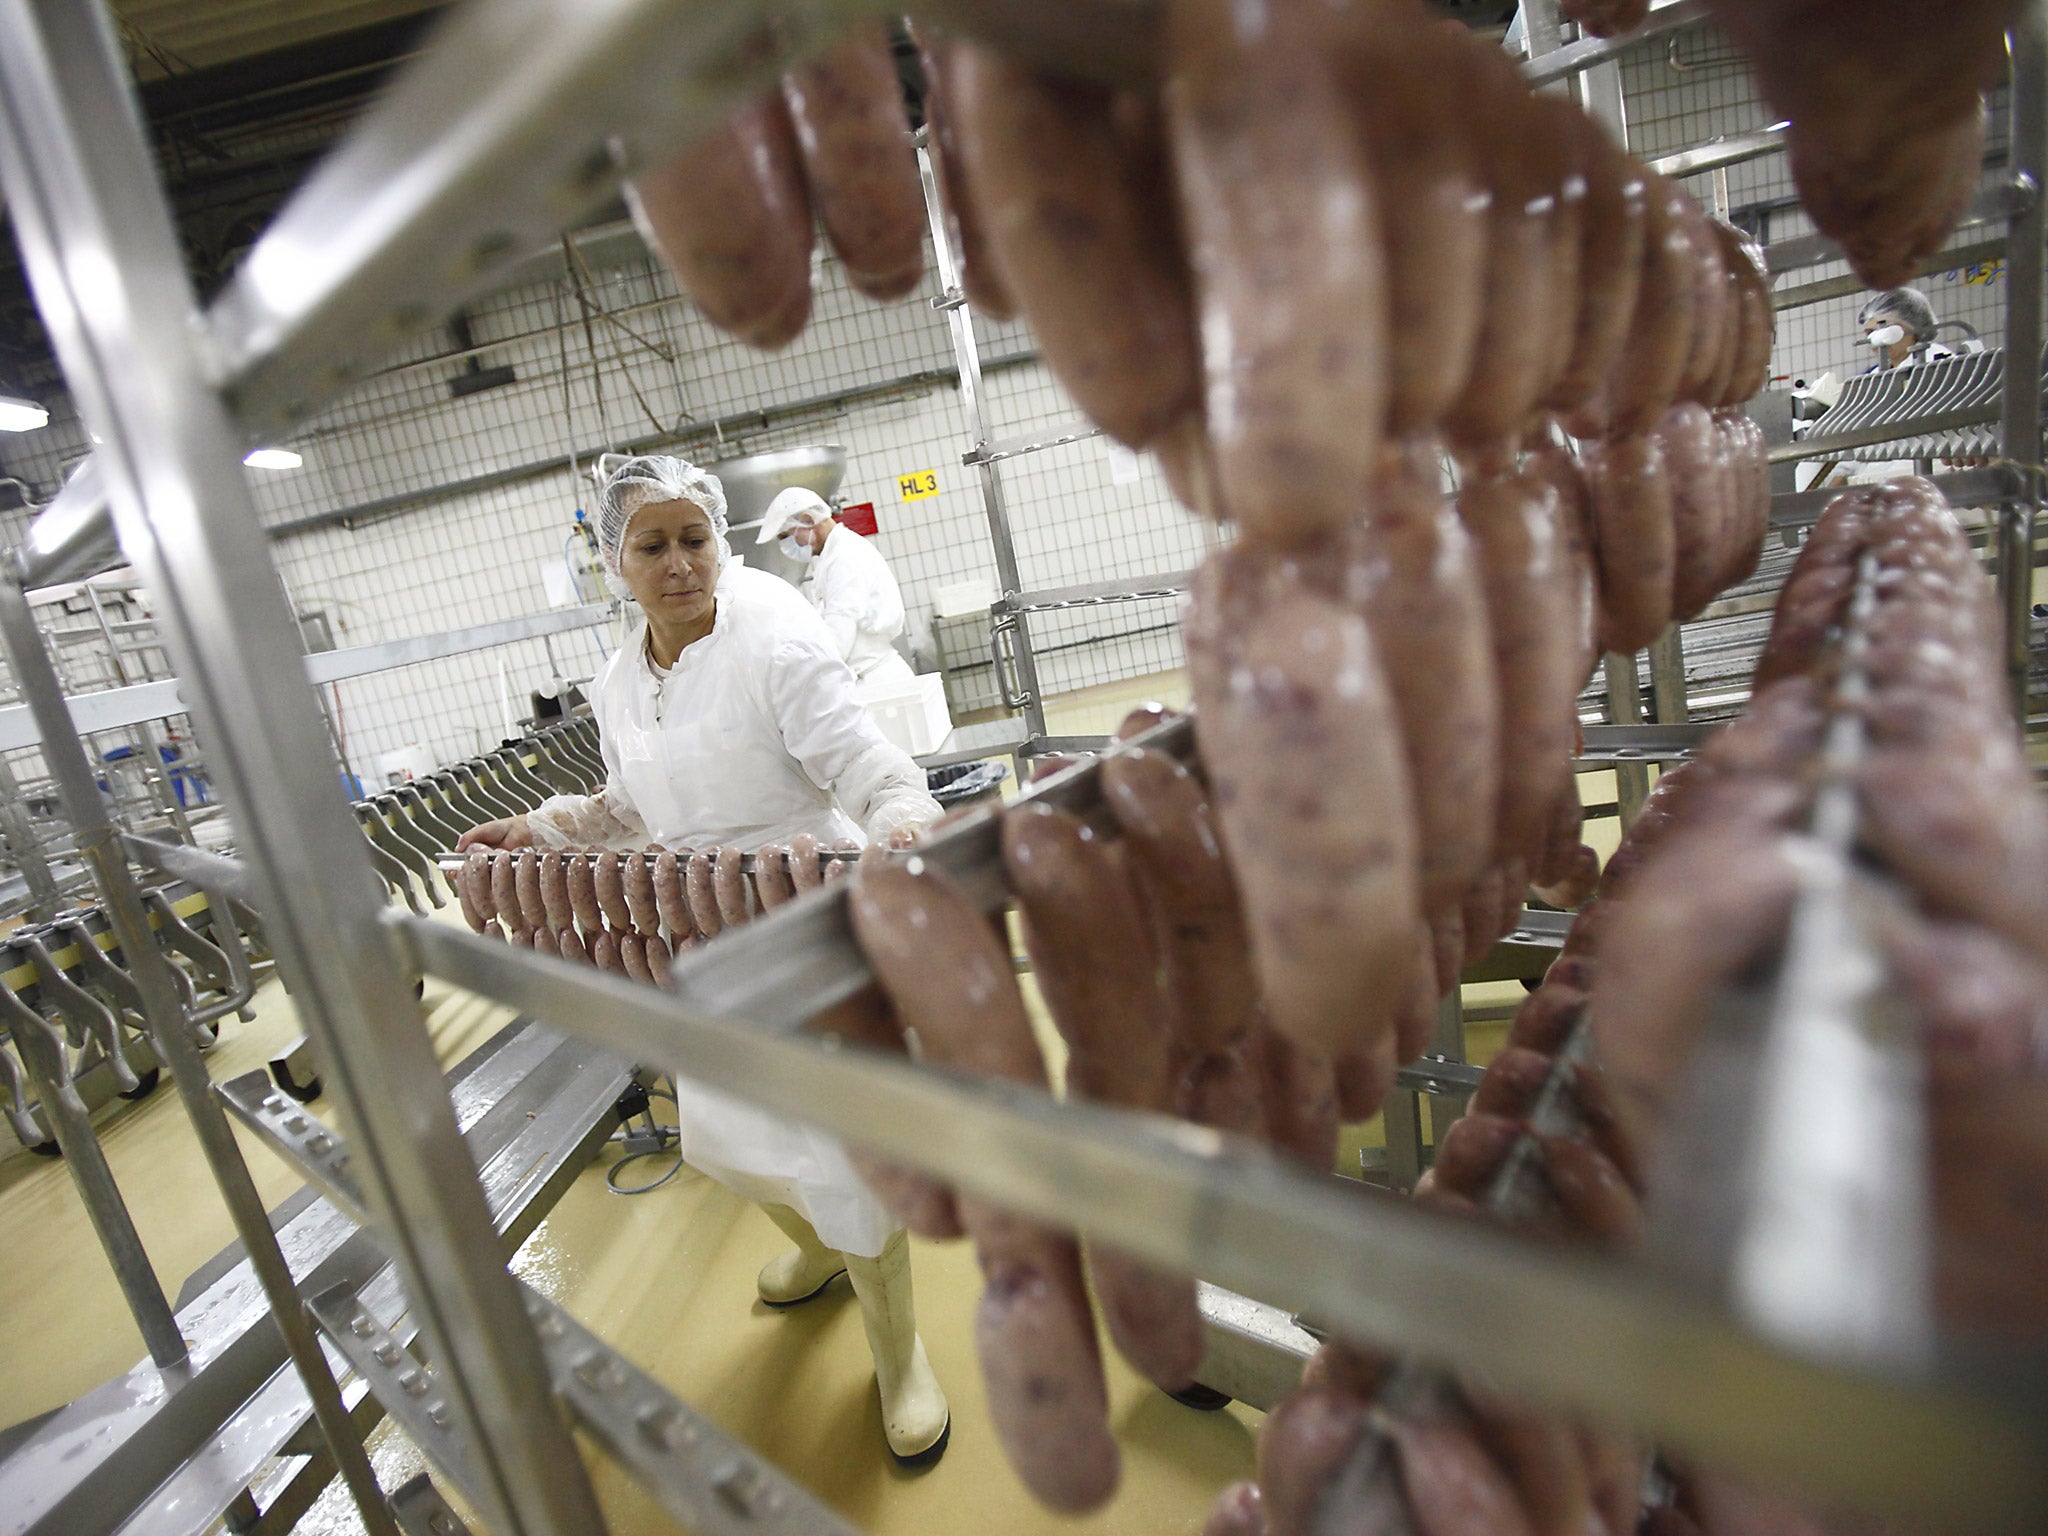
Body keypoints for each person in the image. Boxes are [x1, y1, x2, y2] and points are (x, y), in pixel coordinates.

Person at [456, 454, 949, 1464]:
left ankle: (898, 1352)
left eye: (695, 539)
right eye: (653, 545)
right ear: (614, 560)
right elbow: (627, 805)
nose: (679, 563)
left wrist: (901, 828)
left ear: (718, 542)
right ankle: (817, 1254)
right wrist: (545, 831)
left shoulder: (775, 641)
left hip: (804, 910)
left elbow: (863, 763)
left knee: (843, 1150)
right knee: (725, 1138)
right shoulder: (618, 681)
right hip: (702, 934)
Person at [756, 487, 917, 689]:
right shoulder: (834, 555)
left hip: (877, 681)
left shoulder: (844, 557)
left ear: (807, 520)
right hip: (867, 676)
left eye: (786, 536)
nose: (787, 546)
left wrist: (798, 676)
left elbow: (839, 639)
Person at [1858, 286, 1953, 371]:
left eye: (1887, 330)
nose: (1877, 340)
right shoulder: (1877, 374)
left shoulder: (1937, 362)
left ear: (1915, 327)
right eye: (1870, 332)